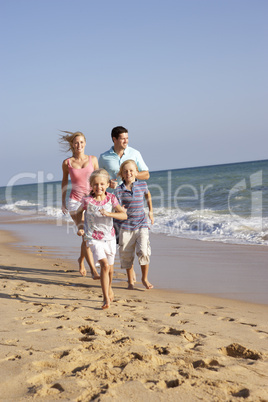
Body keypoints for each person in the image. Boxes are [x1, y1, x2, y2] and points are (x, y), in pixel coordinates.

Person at [76, 169, 127, 309]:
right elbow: (77, 213)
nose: (99, 187)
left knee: (110, 269)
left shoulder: (111, 198)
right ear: (91, 185)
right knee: (104, 265)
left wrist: (109, 213)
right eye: (96, 184)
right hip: (93, 238)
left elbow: (124, 216)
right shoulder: (87, 200)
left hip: (109, 238)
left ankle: (109, 288)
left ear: (107, 184)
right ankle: (105, 299)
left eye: (102, 184)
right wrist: (80, 226)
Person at [60, 130, 100, 279]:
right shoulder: (67, 163)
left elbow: (99, 179)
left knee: (86, 237)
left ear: (85, 143)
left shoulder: (93, 159)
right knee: (84, 231)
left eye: (82, 142)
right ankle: (94, 272)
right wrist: (62, 201)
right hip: (74, 202)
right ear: (72, 144)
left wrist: (103, 198)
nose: (79, 145)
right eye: (76, 142)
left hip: (91, 201)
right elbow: (64, 181)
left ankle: (81, 260)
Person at [114, 160, 154, 290]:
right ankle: (130, 281)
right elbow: (116, 207)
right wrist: (120, 210)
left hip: (141, 223)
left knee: (143, 251)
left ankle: (144, 278)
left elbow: (148, 195)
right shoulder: (119, 190)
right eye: (125, 171)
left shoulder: (142, 184)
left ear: (136, 172)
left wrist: (151, 212)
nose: (129, 173)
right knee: (126, 255)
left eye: (131, 170)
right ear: (122, 174)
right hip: (125, 226)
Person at [98, 126, 150, 190]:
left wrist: (132, 174)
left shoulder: (135, 153)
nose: (126, 141)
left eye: (127, 138)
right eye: (123, 139)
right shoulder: (103, 157)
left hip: (131, 196)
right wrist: (108, 183)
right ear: (114, 139)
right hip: (112, 197)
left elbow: (146, 175)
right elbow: (98, 177)